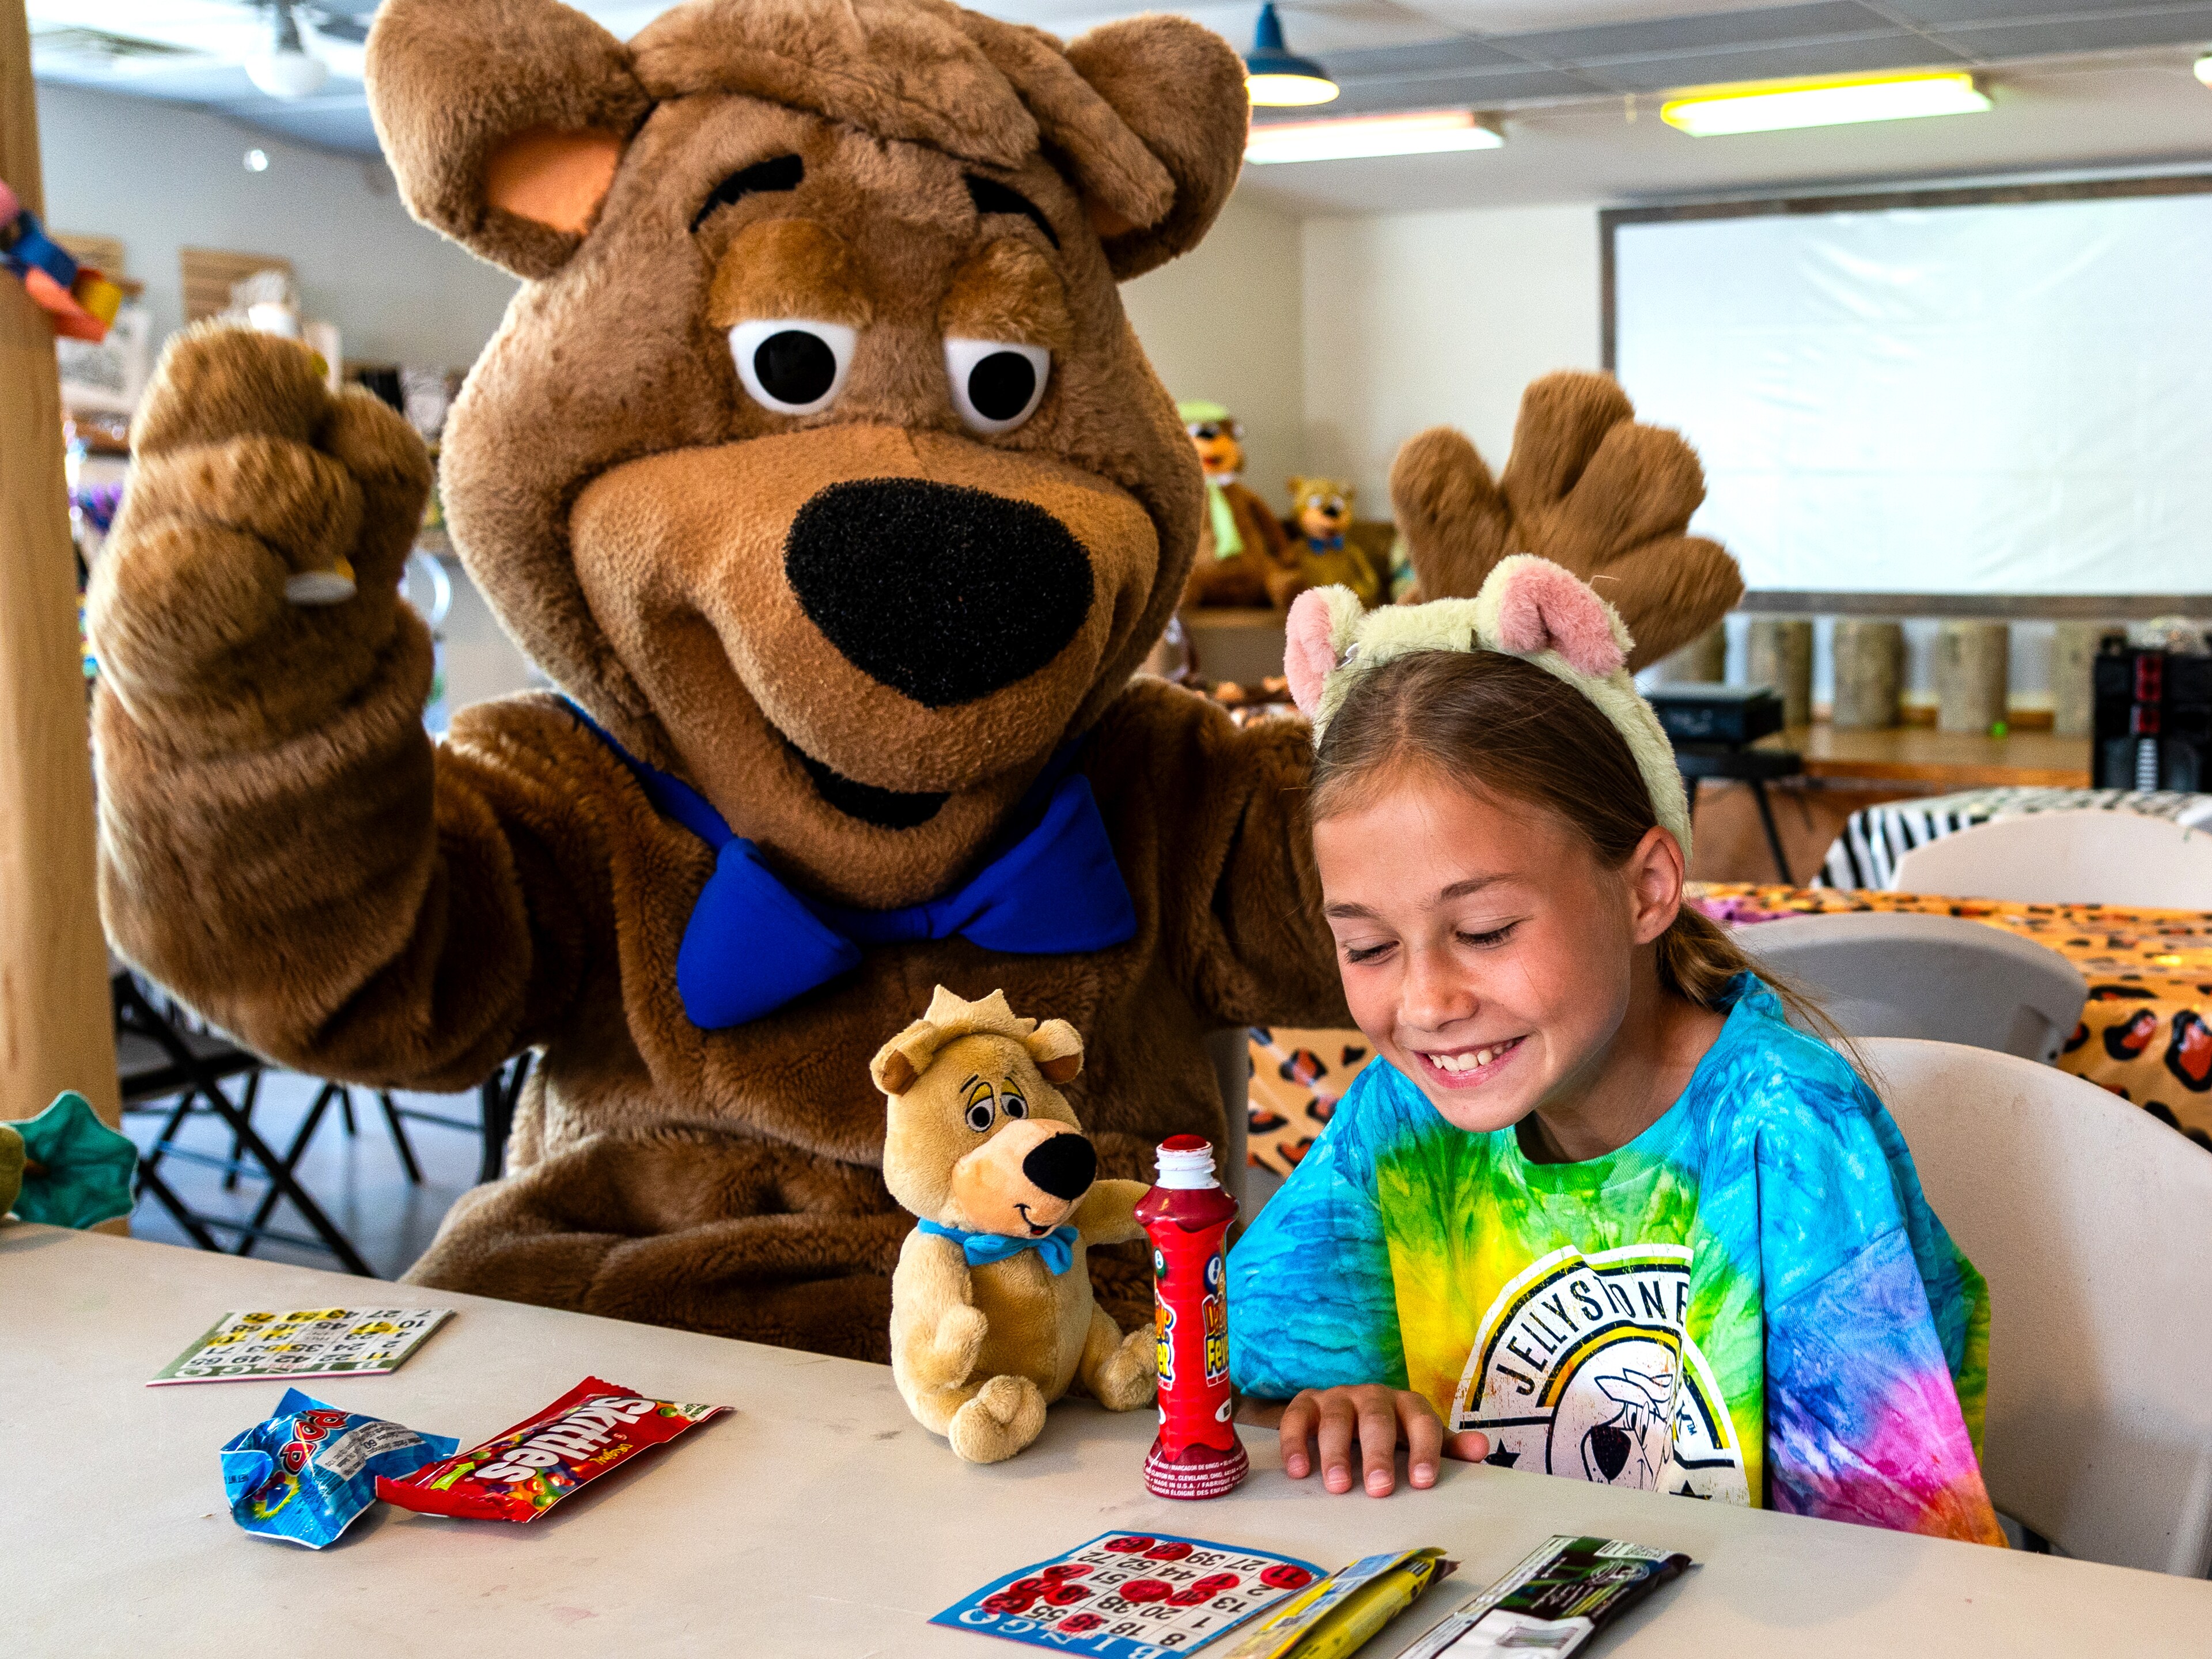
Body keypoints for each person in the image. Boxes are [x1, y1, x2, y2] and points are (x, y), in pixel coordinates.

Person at [1229, 562, 2003, 1545]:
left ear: (1645, 889)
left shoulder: (1785, 1137)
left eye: (1488, 930)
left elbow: (1894, 1556)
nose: (1425, 1002)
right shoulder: (1399, 1120)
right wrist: (1336, 1406)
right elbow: (1239, 1388)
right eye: (1370, 947)